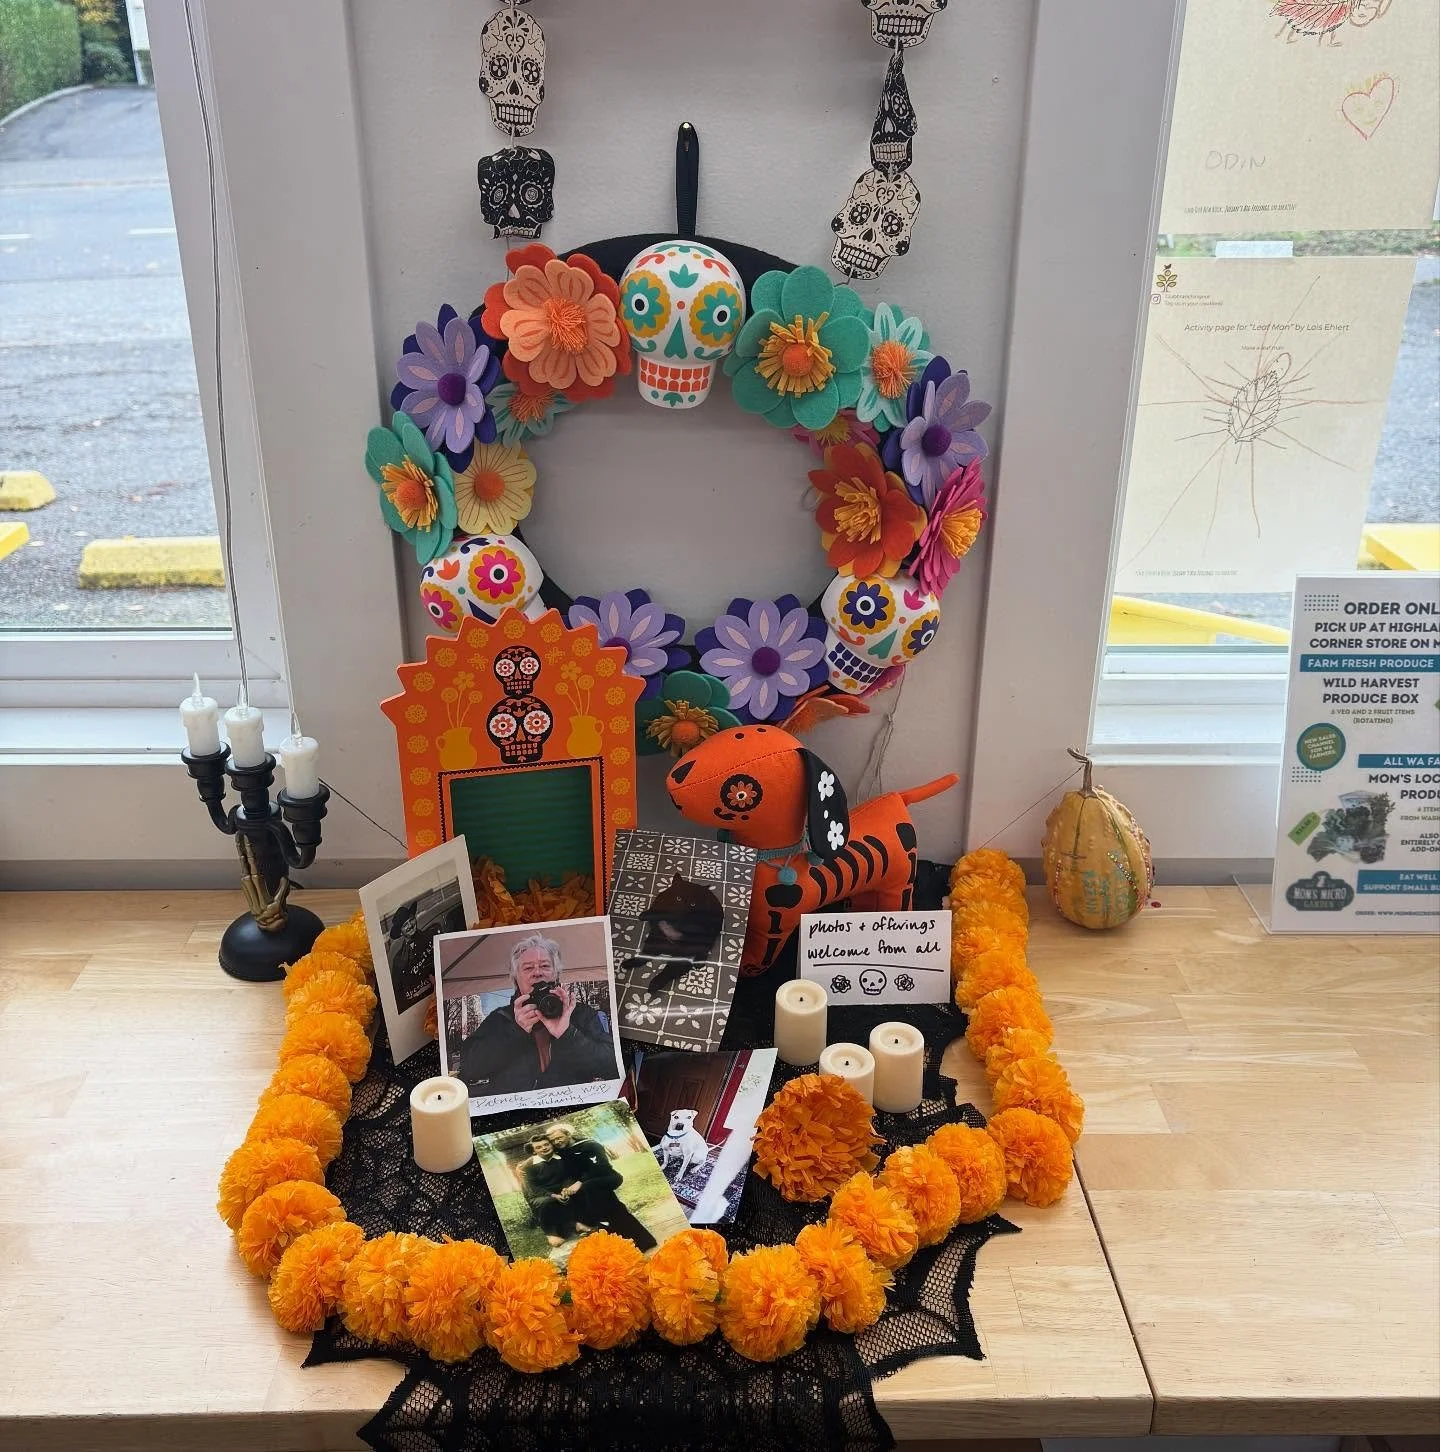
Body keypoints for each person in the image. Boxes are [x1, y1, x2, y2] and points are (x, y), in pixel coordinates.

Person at [456, 933, 618, 1096]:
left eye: (545, 966)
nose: (537, 973)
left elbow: (612, 1066)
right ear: (516, 979)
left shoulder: (580, 1013)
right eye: (528, 968)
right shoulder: (500, 1018)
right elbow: (469, 1069)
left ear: (556, 974)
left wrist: (567, 1033)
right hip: (518, 1112)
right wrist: (515, 1032)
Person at [544, 1122, 656, 1251]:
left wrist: (580, 1182)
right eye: (553, 1140)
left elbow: (602, 1167)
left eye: (559, 1138)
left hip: (607, 1177)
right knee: (611, 1209)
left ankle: (638, 1242)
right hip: (590, 1187)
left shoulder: (590, 1145)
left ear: (568, 1134)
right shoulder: (562, 1152)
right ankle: (640, 1243)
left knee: (601, 1204)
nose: (557, 1142)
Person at [518, 1135, 591, 1246]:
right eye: (538, 1147)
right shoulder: (529, 1166)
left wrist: (566, 1189)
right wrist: (553, 1195)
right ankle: (551, 1234)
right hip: (539, 1195)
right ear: (534, 1151)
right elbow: (533, 1189)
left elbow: (568, 1176)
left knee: (579, 1192)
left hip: (560, 1191)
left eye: (546, 1144)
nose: (544, 1148)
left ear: (552, 1145)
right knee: (547, 1202)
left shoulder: (561, 1158)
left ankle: (578, 1224)